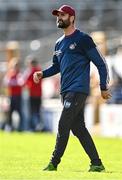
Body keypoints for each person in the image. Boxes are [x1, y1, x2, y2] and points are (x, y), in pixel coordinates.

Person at [33, 5, 111, 172]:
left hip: (78, 90)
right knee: (78, 129)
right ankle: (97, 163)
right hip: (66, 91)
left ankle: (54, 163)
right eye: (58, 15)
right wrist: (42, 74)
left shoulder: (83, 39)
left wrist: (103, 86)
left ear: (72, 18)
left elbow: (101, 63)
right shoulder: (58, 43)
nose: (59, 17)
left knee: (63, 124)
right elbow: (56, 67)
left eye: (63, 15)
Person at [3, 58, 24, 131]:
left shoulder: (20, 73)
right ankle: (10, 127)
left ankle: (20, 127)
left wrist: (13, 83)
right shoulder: (10, 73)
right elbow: (6, 82)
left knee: (19, 112)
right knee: (10, 112)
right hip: (11, 96)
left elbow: (21, 82)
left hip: (18, 96)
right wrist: (15, 83)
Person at [24, 56, 43, 131]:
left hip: (32, 94)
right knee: (38, 111)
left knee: (32, 112)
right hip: (39, 94)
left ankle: (32, 127)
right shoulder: (39, 70)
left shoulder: (31, 71)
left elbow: (24, 82)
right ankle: (39, 126)